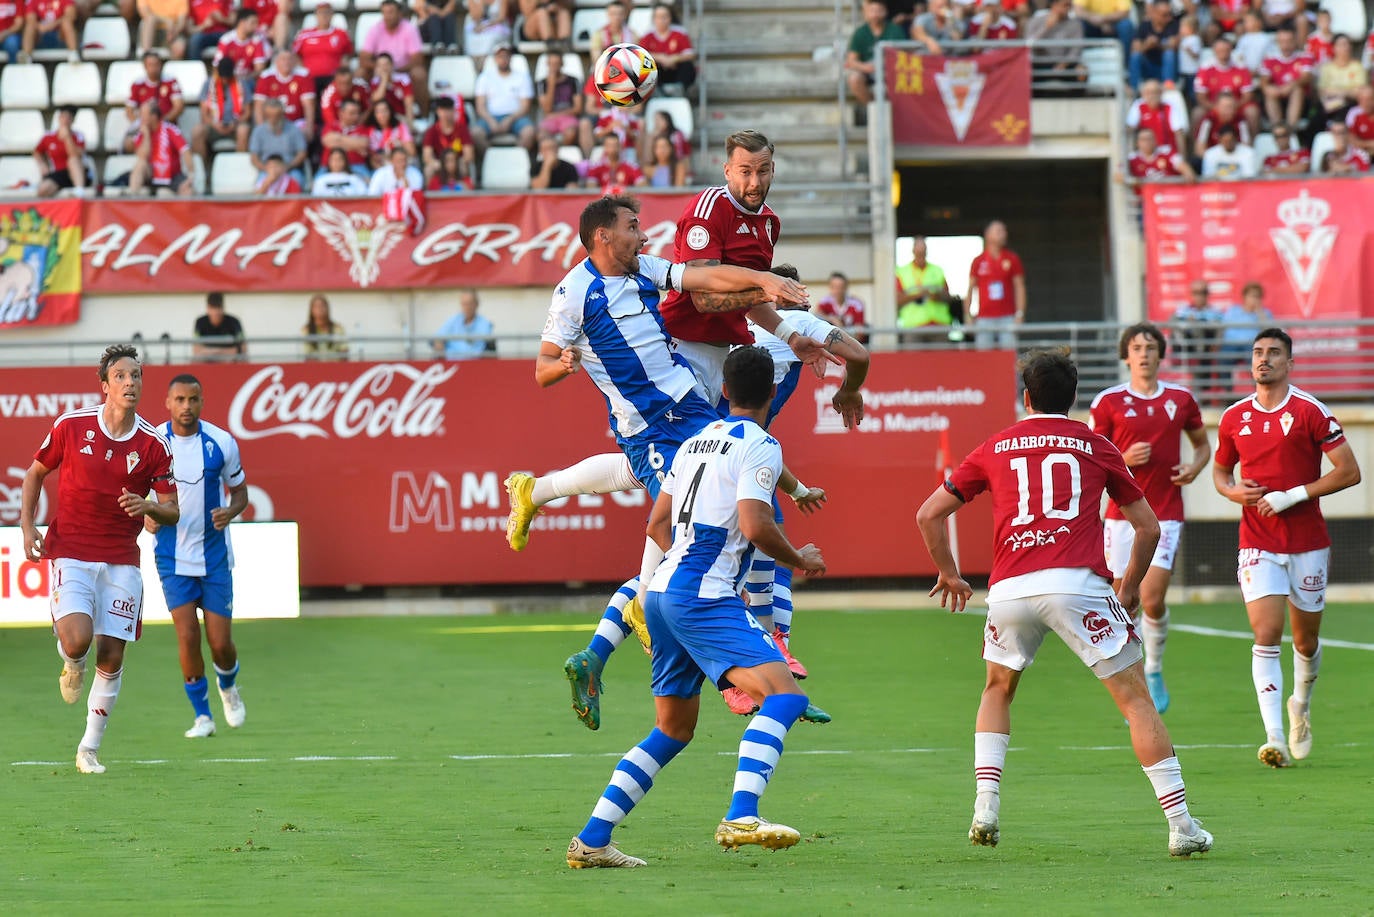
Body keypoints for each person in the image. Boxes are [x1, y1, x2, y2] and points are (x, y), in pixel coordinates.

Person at [512, 195, 810, 728]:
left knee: (705, 533)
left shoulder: (645, 270)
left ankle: (606, 647)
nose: (643, 235)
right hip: (649, 426)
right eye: (632, 227)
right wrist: (564, 364)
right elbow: (540, 372)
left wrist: (760, 281)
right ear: (603, 236)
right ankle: (755, 661)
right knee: (718, 531)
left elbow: (702, 278)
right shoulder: (574, 292)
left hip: (689, 410)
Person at [915, 348, 1214, 858]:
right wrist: (1128, 589)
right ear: (1074, 398)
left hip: (1010, 589)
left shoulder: (996, 444)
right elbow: (1147, 527)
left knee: (997, 689)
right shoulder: (1096, 444)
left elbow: (928, 514)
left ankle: (985, 806)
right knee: (1135, 699)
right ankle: (1182, 825)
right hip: (1078, 585)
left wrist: (949, 572)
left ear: (1026, 396)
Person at [566, 346, 827, 870]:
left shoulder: (691, 445)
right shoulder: (762, 445)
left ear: (724, 392)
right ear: (773, 392)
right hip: (701, 594)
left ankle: (592, 840)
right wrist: (799, 558)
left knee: (673, 729)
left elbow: (656, 527)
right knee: (785, 698)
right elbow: (754, 524)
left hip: (660, 592)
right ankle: (741, 814)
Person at [20, 345, 179, 774]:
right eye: (122, 376)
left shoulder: (154, 444)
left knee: (111, 655)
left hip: (121, 560)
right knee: (78, 640)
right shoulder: (71, 426)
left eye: (137, 376)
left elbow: (172, 509)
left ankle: (88, 748)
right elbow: (36, 472)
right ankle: (72, 663)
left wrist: (147, 508)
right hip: (70, 549)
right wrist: (28, 526)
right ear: (105, 385)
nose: (131, 383)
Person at [1212, 328, 1361, 768]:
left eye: (1274, 353)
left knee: (1306, 639)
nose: (1264, 359)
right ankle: (1273, 735)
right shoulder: (1234, 416)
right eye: (1258, 353)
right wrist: (1232, 492)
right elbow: (1221, 474)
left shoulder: (1310, 411)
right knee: (1265, 633)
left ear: (1289, 363)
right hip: (1257, 542)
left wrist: (1294, 495)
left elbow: (1349, 472)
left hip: (1308, 542)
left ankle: (1300, 706)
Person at [1089, 323, 1211, 713]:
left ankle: (1154, 669)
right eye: (1137, 347)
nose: (1144, 353)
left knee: (1151, 597)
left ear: (1161, 354)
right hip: (1120, 516)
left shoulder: (1181, 399)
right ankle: (1134, 681)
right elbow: (1092, 457)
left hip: (1166, 513)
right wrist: (1122, 460)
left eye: (1151, 347)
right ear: (1126, 356)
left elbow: (1203, 445)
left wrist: (1195, 467)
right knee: (1123, 599)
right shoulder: (1108, 402)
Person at [145, 375, 248, 739]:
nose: (186, 406)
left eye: (193, 400)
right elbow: (141, 488)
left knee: (220, 644)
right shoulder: (153, 442)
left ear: (202, 402)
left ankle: (228, 688)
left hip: (214, 556)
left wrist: (231, 511)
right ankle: (202, 716)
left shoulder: (221, 442)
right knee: (187, 636)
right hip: (172, 558)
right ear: (167, 402)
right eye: (179, 400)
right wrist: (147, 513)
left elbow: (240, 493)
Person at [472, 43, 537, 160]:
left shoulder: (522, 76)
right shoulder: (484, 77)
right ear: (495, 58)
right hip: (490, 117)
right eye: (500, 56)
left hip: (516, 117)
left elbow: (525, 106)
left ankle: (515, 161)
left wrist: (509, 120)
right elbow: (480, 106)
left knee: (529, 132)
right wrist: (491, 121)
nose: (503, 59)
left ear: (511, 57)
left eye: (506, 55)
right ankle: (492, 162)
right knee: (475, 134)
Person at [968, 220, 1026, 350]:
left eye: (1004, 231)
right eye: (999, 231)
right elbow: (970, 289)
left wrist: (1020, 313)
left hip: (1008, 316)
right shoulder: (978, 261)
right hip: (984, 317)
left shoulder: (1012, 259)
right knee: (983, 358)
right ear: (988, 234)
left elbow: (1019, 287)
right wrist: (968, 314)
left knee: (1009, 357)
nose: (1004, 234)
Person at [124, 101, 194, 197]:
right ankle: (133, 198)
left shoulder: (170, 129)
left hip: (172, 175)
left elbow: (185, 151)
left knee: (188, 190)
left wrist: (190, 176)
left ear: (154, 117)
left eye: (143, 115)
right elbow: (142, 156)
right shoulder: (142, 132)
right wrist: (147, 135)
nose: (140, 118)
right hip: (151, 174)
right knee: (140, 164)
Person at [846, 0, 907, 106]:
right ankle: (872, 107)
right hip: (868, 71)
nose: (875, 15)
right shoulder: (860, 32)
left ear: (885, 12)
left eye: (879, 11)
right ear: (866, 12)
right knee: (854, 79)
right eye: (872, 11)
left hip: (890, 70)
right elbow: (851, 60)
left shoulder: (895, 30)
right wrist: (865, 67)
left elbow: (904, 54)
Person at [895, 235, 952, 341]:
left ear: (927, 252)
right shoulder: (902, 272)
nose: (921, 256)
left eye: (923, 252)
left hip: (939, 325)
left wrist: (935, 295)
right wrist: (918, 295)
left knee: (943, 358)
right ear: (913, 251)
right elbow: (897, 300)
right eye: (918, 253)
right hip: (913, 327)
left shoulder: (937, 270)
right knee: (913, 358)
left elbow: (948, 297)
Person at [253, 49, 318, 141]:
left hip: (296, 121)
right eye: (283, 59)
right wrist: (261, 128)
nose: (286, 62)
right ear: (276, 62)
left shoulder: (303, 75)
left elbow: (309, 105)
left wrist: (309, 128)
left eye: (289, 59)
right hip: (273, 121)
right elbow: (259, 106)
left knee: (302, 133)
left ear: (294, 61)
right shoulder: (266, 76)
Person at [194, 56, 251, 161]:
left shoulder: (241, 84)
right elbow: (204, 114)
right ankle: (202, 169)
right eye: (222, 76)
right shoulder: (208, 84)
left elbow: (247, 112)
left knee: (243, 130)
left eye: (227, 77)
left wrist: (235, 123)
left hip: (235, 125)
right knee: (198, 131)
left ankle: (239, 167)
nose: (225, 79)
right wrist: (215, 125)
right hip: (214, 125)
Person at [1259, 26, 1314, 130]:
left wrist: (1291, 85)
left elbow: (1306, 77)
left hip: (1302, 103)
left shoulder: (1304, 56)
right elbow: (1263, 81)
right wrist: (1269, 88)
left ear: (1295, 41)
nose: (1286, 45)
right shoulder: (1270, 58)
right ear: (1277, 42)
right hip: (1278, 98)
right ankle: (1278, 130)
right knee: (1269, 91)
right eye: (1282, 41)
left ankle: (1290, 130)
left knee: (1297, 90)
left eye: (1289, 41)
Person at [292, 3, 352, 93]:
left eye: (327, 12)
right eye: (321, 13)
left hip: (333, 77)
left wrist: (341, 71)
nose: (324, 16)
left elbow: (347, 54)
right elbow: (295, 54)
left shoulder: (341, 34)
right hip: (310, 77)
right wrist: (303, 70)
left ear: (332, 15)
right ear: (316, 15)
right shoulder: (304, 35)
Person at [637, 2, 696, 94]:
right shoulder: (647, 35)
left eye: (665, 16)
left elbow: (690, 54)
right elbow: (640, 54)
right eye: (659, 17)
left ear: (670, 18)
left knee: (688, 66)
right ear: (654, 19)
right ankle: (655, 91)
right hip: (658, 72)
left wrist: (674, 58)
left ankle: (678, 90)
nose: (662, 20)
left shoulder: (680, 33)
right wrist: (660, 58)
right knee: (647, 66)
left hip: (676, 70)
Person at [35, 105, 91, 199]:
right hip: (59, 174)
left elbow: (75, 154)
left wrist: (67, 138)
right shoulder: (48, 137)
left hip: (78, 173)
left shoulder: (78, 136)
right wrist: (42, 164)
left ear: (73, 120)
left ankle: (79, 190)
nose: (65, 120)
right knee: (43, 190)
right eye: (63, 117)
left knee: (73, 160)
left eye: (68, 118)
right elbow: (37, 152)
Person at [249, 98, 309, 186]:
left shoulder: (294, 130)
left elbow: (302, 153)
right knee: (260, 185)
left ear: (283, 114)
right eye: (269, 116)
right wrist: (267, 169)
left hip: (290, 170)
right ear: (265, 115)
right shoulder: (258, 131)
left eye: (276, 116)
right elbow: (254, 157)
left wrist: (287, 167)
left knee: (297, 182)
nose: (273, 120)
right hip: (267, 170)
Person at [420, 96, 475, 185]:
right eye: (442, 110)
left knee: (464, 167)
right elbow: (427, 156)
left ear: (454, 111)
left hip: (457, 162)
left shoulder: (462, 129)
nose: (445, 114)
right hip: (439, 163)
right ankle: (431, 197)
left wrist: (455, 163)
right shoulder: (432, 131)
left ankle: (465, 194)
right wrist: (441, 165)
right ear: (437, 112)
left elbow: (469, 155)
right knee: (428, 170)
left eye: (448, 110)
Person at [535, 50, 584, 147]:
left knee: (571, 134)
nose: (554, 67)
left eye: (556, 63)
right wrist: (551, 85)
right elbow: (547, 109)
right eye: (552, 64)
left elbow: (578, 108)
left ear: (562, 64)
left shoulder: (573, 81)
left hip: (568, 117)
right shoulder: (542, 83)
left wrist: (556, 115)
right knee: (541, 135)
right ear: (547, 64)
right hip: (550, 119)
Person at [1217, 282, 1274, 365]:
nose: (1255, 299)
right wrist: (1217, 343)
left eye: (1258, 297)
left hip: (1252, 346)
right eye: (1253, 296)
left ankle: (1256, 377)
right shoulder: (1233, 310)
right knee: (1224, 357)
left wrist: (1259, 312)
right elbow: (1222, 328)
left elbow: (1269, 333)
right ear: (1244, 297)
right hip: (1231, 345)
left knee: (1257, 360)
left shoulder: (1265, 313)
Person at [1129, 0, 1179, 91]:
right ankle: (1134, 90)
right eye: (1164, 15)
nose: (1169, 18)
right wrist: (1147, 45)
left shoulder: (1173, 25)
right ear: (1154, 13)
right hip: (1148, 67)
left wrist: (1158, 44)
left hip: (1166, 69)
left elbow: (1173, 45)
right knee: (1135, 57)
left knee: (1169, 54)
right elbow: (1135, 49)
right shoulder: (1144, 26)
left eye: (1169, 14)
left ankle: (1168, 87)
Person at [432, 290, 495, 359]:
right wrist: (438, 343)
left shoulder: (484, 323)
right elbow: (438, 338)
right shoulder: (454, 319)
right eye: (464, 304)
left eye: (470, 304)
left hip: (474, 364)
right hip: (451, 363)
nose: (467, 307)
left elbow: (481, 346)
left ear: (476, 304)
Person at [128, 51, 186, 124]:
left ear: (161, 65)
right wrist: (139, 124)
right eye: (150, 65)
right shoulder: (138, 84)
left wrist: (162, 123)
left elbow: (179, 107)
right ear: (145, 66)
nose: (154, 68)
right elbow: (129, 110)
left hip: (167, 125)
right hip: (145, 126)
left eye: (156, 64)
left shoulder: (170, 81)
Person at [320, 98, 372, 177]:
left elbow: (364, 143)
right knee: (316, 185)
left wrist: (337, 139)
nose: (356, 116)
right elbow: (326, 141)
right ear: (341, 113)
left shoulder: (362, 128)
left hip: (356, 166)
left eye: (358, 113)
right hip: (328, 167)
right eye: (352, 113)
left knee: (367, 183)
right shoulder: (331, 126)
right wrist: (354, 145)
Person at [212, 10, 270, 80]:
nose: (256, 26)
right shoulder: (227, 40)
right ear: (242, 23)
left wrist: (243, 79)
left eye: (256, 23)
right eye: (253, 23)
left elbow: (259, 69)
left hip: (248, 80)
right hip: (229, 81)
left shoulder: (256, 40)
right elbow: (217, 67)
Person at [814, 271, 868, 345]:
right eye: (834, 287)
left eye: (840, 287)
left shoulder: (856, 303)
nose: (837, 290)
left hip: (853, 343)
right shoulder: (824, 302)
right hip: (832, 344)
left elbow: (860, 331)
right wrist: (832, 319)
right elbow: (817, 316)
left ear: (846, 287)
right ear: (830, 287)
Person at [193, 292, 246, 361]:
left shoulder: (234, 321)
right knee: (195, 361)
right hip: (207, 361)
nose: (216, 312)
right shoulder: (200, 322)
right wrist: (219, 353)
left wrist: (217, 352)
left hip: (229, 361)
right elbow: (196, 351)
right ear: (208, 308)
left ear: (223, 308)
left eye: (218, 308)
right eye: (213, 308)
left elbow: (243, 349)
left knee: (241, 360)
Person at [464, 0, 512, 69]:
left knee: (490, 38)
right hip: (484, 27)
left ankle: (483, 63)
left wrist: (487, 26)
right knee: (472, 36)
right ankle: (475, 62)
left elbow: (502, 18)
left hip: (499, 27)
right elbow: (477, 16)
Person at [302, 294, 348, 358]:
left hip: (336, 366)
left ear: (328, 308)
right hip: (314, 367)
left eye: (322, 306)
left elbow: (344, 353)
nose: (320, 309)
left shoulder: (338, 328)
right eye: (316, 306)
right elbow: (307, 356)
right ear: (311, 310)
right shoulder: (306, 330)